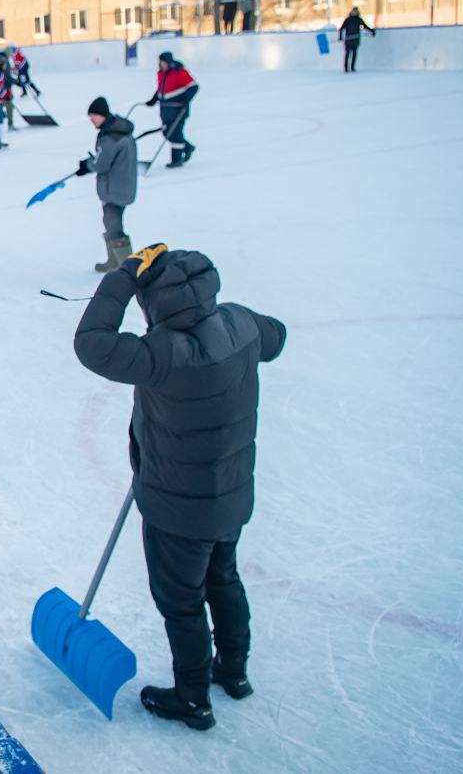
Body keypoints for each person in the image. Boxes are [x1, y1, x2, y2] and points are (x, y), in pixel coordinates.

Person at [73, 244, 286, 732]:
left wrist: (125, 275)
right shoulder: (241, 324)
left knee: (182, 601)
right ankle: (233, 670)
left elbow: (92, 342)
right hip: (231, 498)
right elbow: (277, 336)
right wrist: (231, 326)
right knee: (224, 577)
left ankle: (192, 696)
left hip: (176, 509)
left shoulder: (161, 355)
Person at [74, 97, 137, 273]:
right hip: (123, 184)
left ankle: (127, 269)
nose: (92, 119)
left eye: (94, 115)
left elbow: (102, 164)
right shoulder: (119, 131)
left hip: (115, 187)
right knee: (110, 221)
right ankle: (115, 261)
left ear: (103, 115)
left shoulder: (109, 138)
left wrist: (87, 165)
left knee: (113, 223)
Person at [145, 52, 198, 168]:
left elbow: (193, 87)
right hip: (165, 110)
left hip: (178, 109)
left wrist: (186, 99)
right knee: (166, 132)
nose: (162, 64)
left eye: (164, 62)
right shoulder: (161, 73)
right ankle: (188, 147)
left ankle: (176, 160)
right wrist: (153, 99)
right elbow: (162, 89)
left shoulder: (179, 71)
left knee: (176, 133)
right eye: (160, 62)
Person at [339, 8, 376, 72]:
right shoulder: (348, 20)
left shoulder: (359, 20)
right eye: (353, 11)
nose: (354, 12)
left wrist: (371, 31)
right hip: (348, 39)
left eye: (356, 11)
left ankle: (352, 67)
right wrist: (340, 36)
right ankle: (346, 68)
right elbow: (342, 28)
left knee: (354, 54)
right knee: (347, 53)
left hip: (356, 39)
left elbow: (365, 26)